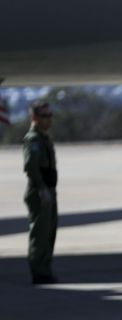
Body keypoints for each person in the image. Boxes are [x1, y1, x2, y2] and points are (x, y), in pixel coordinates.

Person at [23, 100, 58, 285]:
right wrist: (42, 189)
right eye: (45, 116)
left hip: (49, 190)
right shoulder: (33, 139)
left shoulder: (44, 137)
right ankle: (39, 272)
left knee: (49, 232)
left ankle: (45, 269)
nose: (49, 119)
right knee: (40, 233)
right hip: (40, 191)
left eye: (50, 115)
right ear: (35, 117)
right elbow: (30, 167)